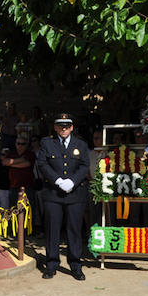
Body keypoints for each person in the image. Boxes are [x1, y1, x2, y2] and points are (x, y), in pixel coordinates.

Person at [36, 113, 90, 281]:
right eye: (61, 125)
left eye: (67, 125)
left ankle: (75, 265)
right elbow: (42, 164)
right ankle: (51, 264)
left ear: (72, 127)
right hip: (53, 193)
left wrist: (72, 181)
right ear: (55, 127)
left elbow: (84, 165)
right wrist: (58, 180)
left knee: (74, 230)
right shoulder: (47, 143)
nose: (64, 128)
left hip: (75, 194)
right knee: (52, 229)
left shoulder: (80, 144)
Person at [3, 135, 36, 212]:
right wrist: (21, 160)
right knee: (14, 211)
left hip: (27, 187)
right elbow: (5, 162)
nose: (20, 145)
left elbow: (27, 164)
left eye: (23, 144)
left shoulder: (30, 154)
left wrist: (11, 163)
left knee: (28, 211)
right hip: (14, 187)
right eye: (18, 143)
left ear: (27, 145)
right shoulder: (12, 154)